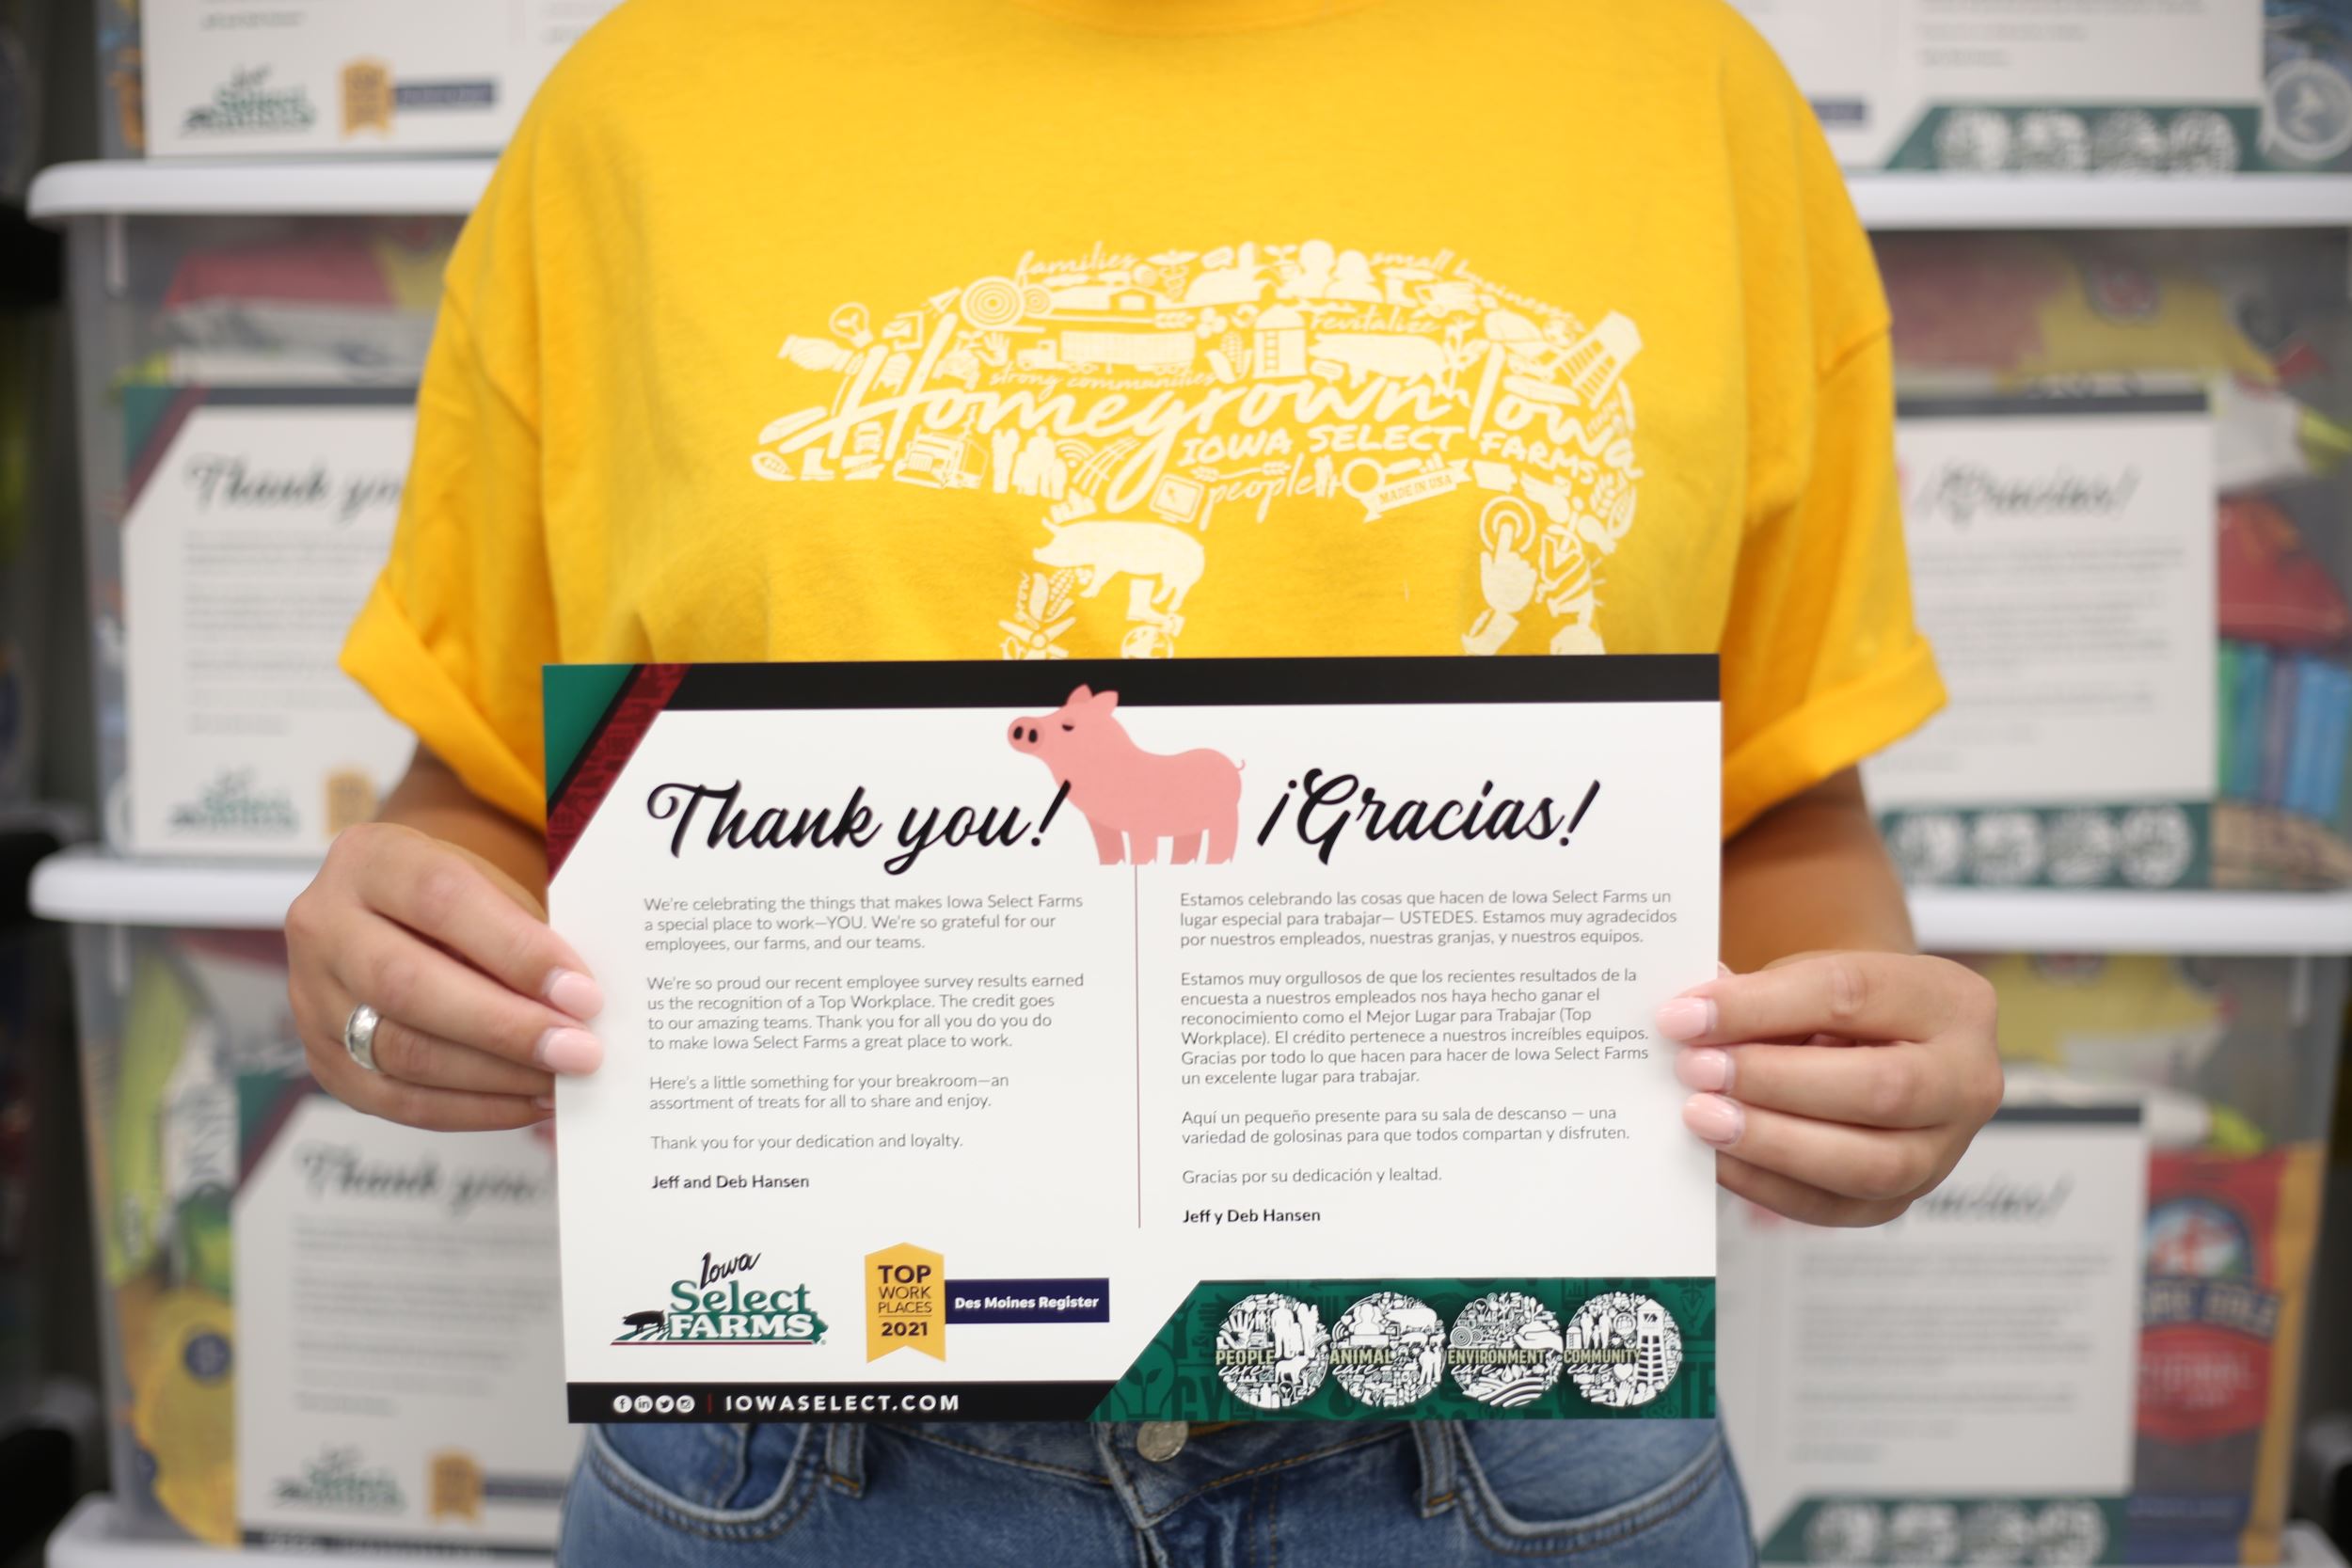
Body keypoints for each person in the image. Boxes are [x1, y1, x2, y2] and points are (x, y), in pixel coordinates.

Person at [285, 1, 2003, 1561]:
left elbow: (1779, 793)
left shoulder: (1692, 93)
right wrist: (407, 960)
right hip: (800, 1449)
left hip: (1506, 1435)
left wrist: (1842, 1052)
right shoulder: (634, 110)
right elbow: (489, 784)